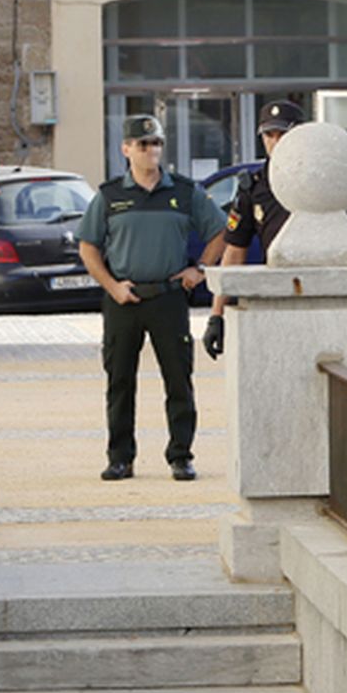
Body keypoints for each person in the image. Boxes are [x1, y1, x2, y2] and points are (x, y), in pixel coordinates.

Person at [79, 114, 228, 482]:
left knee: (178, 379)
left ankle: (180, 455)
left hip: (168, 298)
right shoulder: (110, 196)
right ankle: (120, 458)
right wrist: (112, 286)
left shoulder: (183, 191)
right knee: (120, 382)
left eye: (156, 143)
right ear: (126, 149)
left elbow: (221, 231)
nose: (151, 150)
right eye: (143, 144)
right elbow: (88, 247)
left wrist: (200, 269)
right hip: (123, 299)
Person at [203, 99, 304, 361]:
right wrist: (217, 314)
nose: (275, 141)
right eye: (269, 135)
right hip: (275, 293)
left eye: (283, 134)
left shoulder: (319, 180)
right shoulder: (253, 187)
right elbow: (234, 251)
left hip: (316, 291)